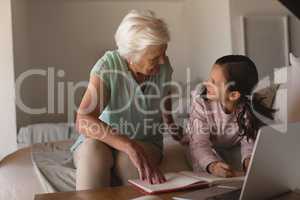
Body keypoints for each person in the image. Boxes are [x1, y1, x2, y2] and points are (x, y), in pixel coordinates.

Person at [71, 10, 180, 190]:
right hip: (103, 139)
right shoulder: (107, 67)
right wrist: (127, 144)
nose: (162, 61)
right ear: (130, 56)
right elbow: (83, 120)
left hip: (146, 140)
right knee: (93, 153)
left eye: (164, 52)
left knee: (127, 162)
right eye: (154, 57)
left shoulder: (164, 65)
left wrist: (170, 123)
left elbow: (164, 92)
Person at [172, 55, 274, 178]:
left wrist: (248, 160)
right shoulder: (202, 103)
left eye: (213, 82)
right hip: (200, 137)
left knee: (252, 165)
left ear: (234, 95)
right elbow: (199, 144)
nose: (207, 83)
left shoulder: (247, 108)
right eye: (209, 78)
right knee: (196, 152)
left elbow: (249, 141)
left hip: (228, 141)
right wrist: (213, 166)